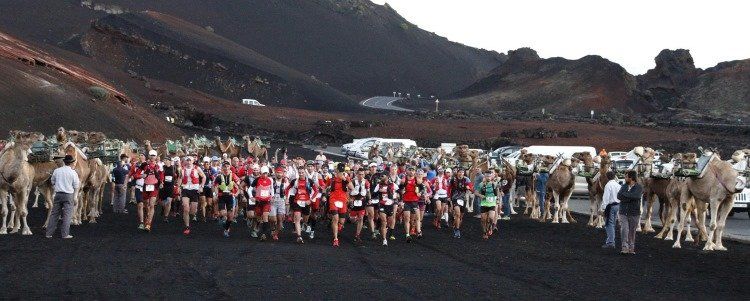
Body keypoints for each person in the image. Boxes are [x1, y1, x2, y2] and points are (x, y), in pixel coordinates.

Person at [45, 155, 81, 239]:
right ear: (72, 163)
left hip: (58, 194)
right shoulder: (73, 172)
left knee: (54, 214)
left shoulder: (57, 171)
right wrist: (75, 196)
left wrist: (56, 187)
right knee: (67, 215)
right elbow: (76, 186)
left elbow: (52, 181)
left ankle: (49, 233)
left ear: (64, 162)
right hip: (68, 195)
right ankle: (65, 234)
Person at [178, 156, 206, 235]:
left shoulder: (197, 168)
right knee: (186, 208)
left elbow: (204, 177)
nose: (189, 162)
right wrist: (178, 188)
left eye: (190, 160)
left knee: (193, 211)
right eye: (187, 160)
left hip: (194, 190)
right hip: (185, 189)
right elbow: (180, 178)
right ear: (185, 161)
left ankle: (191, 215)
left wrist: (202, 186)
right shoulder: (182, 169)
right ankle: (187, 227)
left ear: (193, 161)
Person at [617, 170, 643, 255]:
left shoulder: (639, 187)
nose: (625, 178)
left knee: (632, 231)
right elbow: (618, 196)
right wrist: (630, 197)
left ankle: (631, 248)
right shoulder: (624, 186)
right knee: (624, 229)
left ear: (631, 178)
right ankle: (624, 248)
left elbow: (637, 196)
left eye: (626, 177)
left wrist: (626, 195)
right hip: (623, 212)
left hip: (634, 213)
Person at [214, 161, 240, 237]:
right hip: (221, 196)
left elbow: (238, 187)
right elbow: (215, 186)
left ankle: (226, 229)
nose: (226, 168)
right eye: (225, 166)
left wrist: (236, 194)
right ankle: (221, 219)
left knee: (230, 217)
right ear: (222, 168)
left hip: (230, 197)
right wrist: (215, 194)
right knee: (223, 213)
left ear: (230, 167)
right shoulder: (219, 176)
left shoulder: (233, 176)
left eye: (228, 166)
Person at [288, 169, 313, 244]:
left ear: (305, 173)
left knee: (305, 219)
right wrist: (287, 197)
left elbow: (316, 190)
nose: (301, 174)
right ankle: (299, 236)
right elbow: (287, 189)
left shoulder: (309, 181)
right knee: (297, 218)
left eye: (302, 172)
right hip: (297, 201)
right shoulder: (294, 181)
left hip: (306, 202)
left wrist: (311, 199)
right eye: (300, 172)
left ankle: (304, 224)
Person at [327, 164, 350, 247]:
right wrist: (323, 193)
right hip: (333, 199)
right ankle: (336, 239)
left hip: (343, 201)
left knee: (341, 221)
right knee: (335, 218)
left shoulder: (346, 178)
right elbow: (325, 186)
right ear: (336, 170)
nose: (340, 172)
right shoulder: (331, 178)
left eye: (342, 171)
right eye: (339, 170)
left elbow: (352, 187)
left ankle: (337, 226)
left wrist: (344, 179)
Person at [140, 150, 163, 232]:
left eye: (154, 155)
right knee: (146, 205)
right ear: (149, 156)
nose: (152, 157)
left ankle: (149, 224)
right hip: (146, 186)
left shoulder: (159, 166)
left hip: (154, 186)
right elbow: (138, 173)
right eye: (151, 155)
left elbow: (161, 175)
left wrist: (161, 182)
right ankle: (147, 216)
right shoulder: (144, 165)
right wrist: (142, 175)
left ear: (156, 157)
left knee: (152, 204)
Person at [475, 170, 500, 239]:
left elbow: (498, 191)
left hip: (492, 203)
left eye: (489, 176)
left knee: (491, 218)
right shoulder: (481, 184)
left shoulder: (494, 183)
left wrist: (497, 199)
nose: (488, 177)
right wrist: (480, 195)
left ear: (491, 176)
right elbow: (476, 192)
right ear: (485, 176)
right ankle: (484, 232)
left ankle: (490, 228)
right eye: (486, 176)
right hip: (484, 204)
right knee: (483, 219)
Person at [251, 166, 274, 241]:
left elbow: (271, 189)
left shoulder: (270, 180)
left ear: (268, 173)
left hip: (266, 202)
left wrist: (272, 196)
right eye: (263, 173)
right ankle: (256, 228)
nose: (264, 175)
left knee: (265, 216)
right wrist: (251, 196)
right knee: (258, 217)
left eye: (266, 173)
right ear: (260, 173)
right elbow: (250, 189)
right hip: (258, 202)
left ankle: (264, 234)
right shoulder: (257, 180)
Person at [375, 174, 398, 246]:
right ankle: (384, 240)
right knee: (384, 221)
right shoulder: (379, 185)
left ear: (387, 177)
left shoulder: (393, 184)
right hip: (382, 204)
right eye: (382, 176)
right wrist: (379, 191)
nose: (382, 177)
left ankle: (383, 229)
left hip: (390, 205)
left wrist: (397, 196)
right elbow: (373, 194)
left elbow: (399, 191)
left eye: (383, 176)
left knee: (390, 221)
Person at [450, 168, 472, 238]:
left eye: (462, 172)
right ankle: (457, 230)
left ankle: (455, 225)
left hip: (463, 199)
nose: (461, 173)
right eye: (459, 172)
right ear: (457, 173)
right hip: (455, 198)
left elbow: (471, 187)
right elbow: (449, 188)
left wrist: (469, 188)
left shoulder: (466, 179)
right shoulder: (453, 179)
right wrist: (449, 197)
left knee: (461, 217)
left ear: (464, 173)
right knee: (457, 214)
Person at [600, 171, 620, 249]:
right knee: (613, 223)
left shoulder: (608, 185)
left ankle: (610, 242)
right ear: (615, 176)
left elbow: (606, 198)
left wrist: (602, 208)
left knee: (609, 224)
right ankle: (612, 240)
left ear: (607, 177)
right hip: (617, 205)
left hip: (610, 207)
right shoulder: (618, 185)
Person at [349, 168, 370, 242]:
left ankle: (357, 235)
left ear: (364, 174)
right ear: (357, 174)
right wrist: (349, 199)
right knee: (352, 219)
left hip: (362, 201)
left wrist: (369, 199)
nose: (361, 176)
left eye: (362, 174)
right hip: (353, 201)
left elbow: (368, 192)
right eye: (359, 174)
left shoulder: (366, 182)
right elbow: (348, 191)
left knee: (361, 218)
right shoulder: (353, 181)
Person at [269, 166, 289, 241]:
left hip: (281, 201)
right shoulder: (271, 180)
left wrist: (287, 199)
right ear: (275, 173)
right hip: (273, 201)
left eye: (280, 173)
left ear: (283, 173)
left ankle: (275, 234)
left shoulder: (285, 182)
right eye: (277, 172)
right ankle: (272, 229)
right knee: (273, 219)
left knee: (280, 220)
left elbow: (288, 191)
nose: (279, 174)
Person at [159, 157, 178, 222]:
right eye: (164, 160)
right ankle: (163, 208)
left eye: (166, 160)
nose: (165, 161)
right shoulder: (162, 167)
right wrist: (160, 182)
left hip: (171, 186)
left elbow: (178, 177)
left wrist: (177, 185)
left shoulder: (174, 168)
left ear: (170, 161)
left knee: (169, 201)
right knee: (162, 203)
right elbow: (159, 175)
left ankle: (166, 217)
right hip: (163, 187)